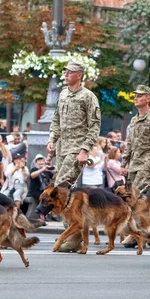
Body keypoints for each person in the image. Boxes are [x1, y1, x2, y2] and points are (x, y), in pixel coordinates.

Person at [47, 60, 101, 252]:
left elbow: (94, 125)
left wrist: (85, 149)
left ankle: (73, 236)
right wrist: (52, 140)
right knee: (65, 192)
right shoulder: (63, 94)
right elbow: (56, 120)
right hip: (62, 148)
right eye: (65, 72)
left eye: (69, 72)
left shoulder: (88, 96)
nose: (66, 75)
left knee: (60, 188)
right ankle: (75, 234)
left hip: (77, 149)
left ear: (79, 75)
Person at [120, 85, 150, 194]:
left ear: (148, 98)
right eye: (135, 96)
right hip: (133, 164)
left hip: (146, 164)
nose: (135, 98)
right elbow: (129, 143)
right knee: (130, 196)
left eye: (139, 96)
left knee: (135, 196)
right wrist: (123, 164)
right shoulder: (134, 119)